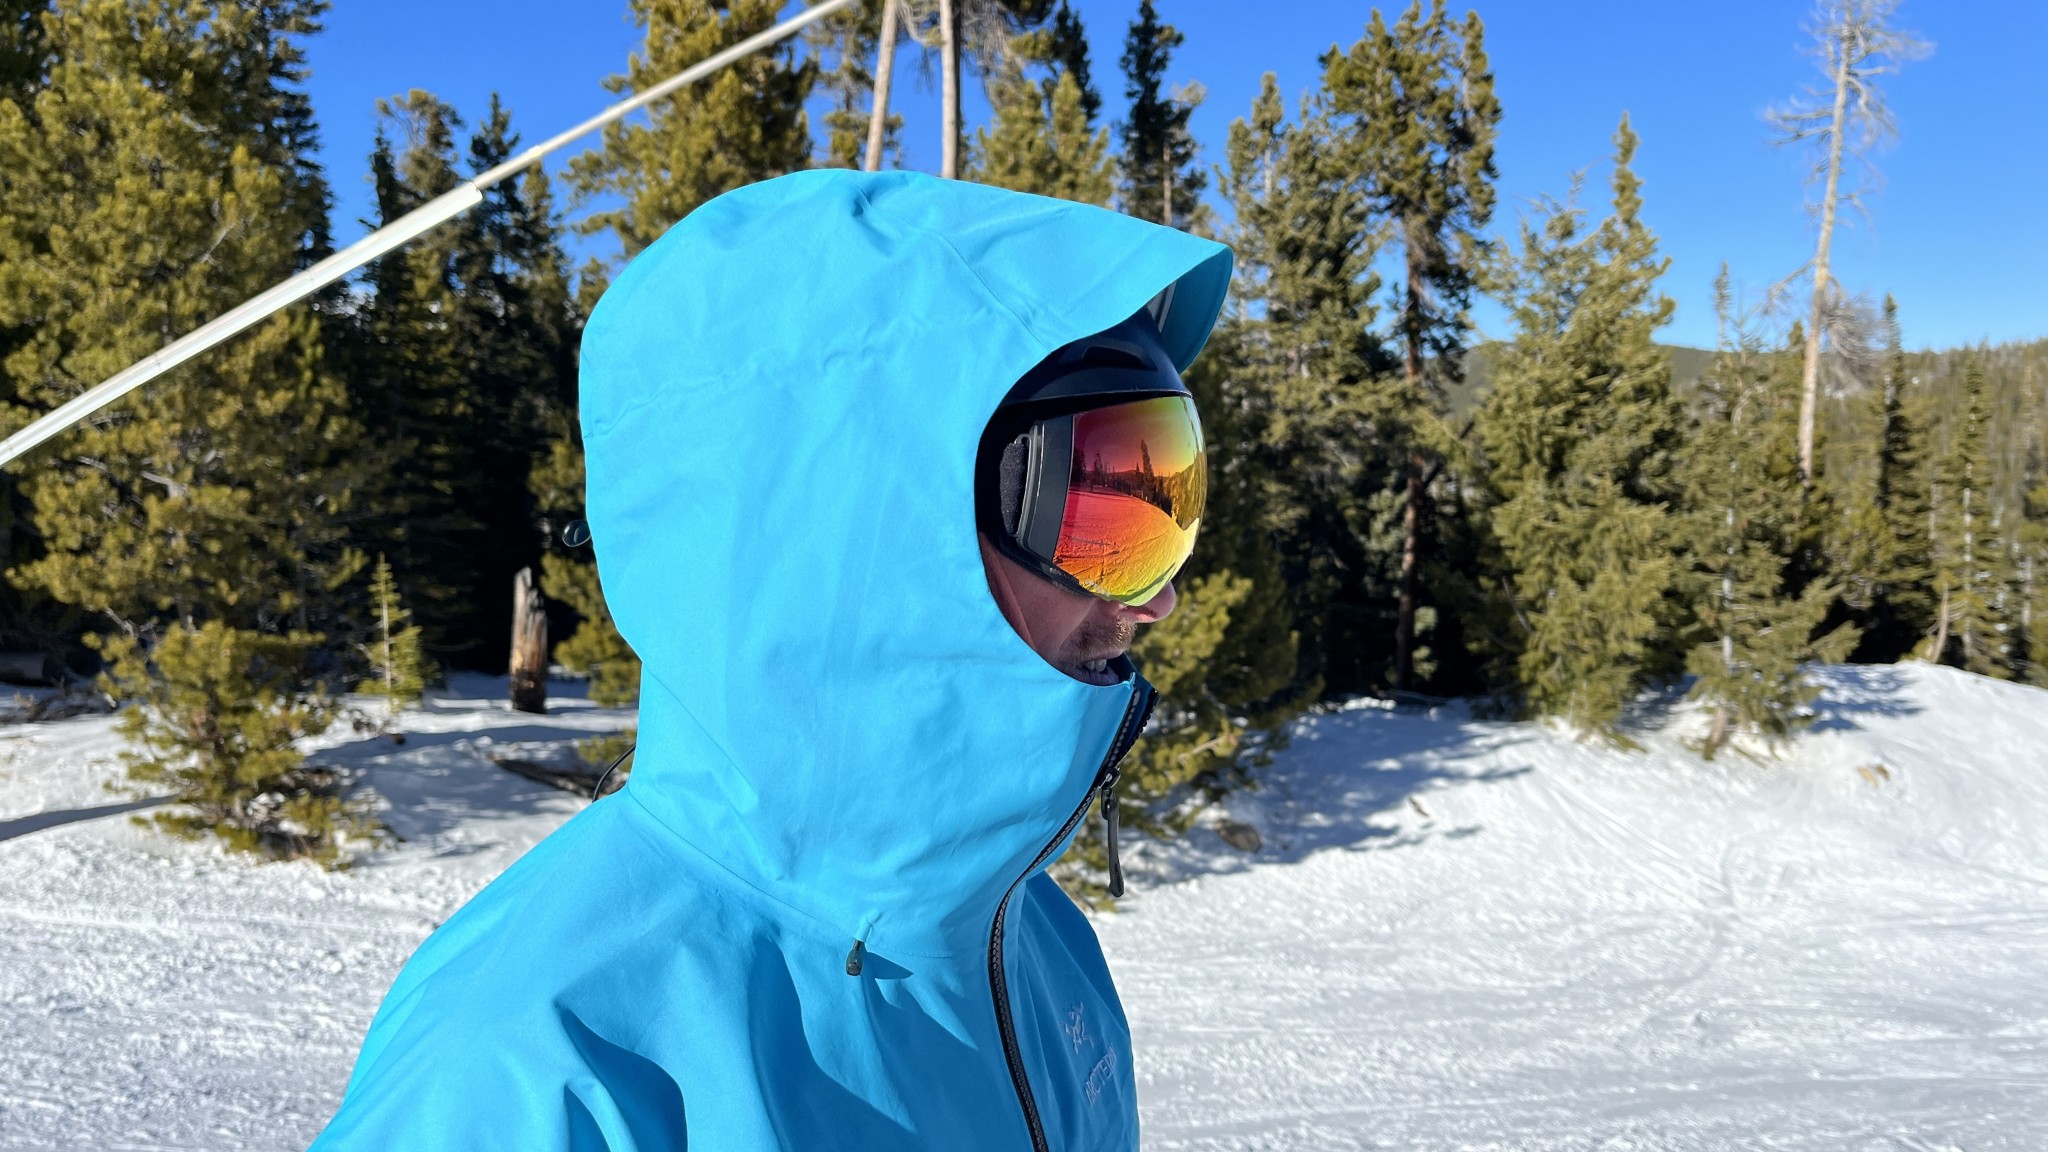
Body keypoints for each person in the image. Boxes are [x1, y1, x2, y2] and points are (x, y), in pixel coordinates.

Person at [310, 169, 1231, 1151]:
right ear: (864, 528)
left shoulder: (1029, 938)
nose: (1154, 599)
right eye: (1095, 512)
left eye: (1165, 502)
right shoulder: (535, 1072)